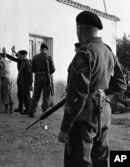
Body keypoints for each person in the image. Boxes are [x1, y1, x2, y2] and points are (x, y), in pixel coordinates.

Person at [58, 11, 127, 167]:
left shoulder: (84, 53)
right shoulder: (108, 51)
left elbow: (76, 96)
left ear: (79, 29)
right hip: (104, 112)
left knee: (78, 161)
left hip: (84, 116)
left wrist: (65, 128)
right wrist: (101, 93)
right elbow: (121, 84)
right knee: (101, 158)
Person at [29, 43, 55, 117]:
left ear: (40, 49)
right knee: (45, 95)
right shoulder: (49, 58)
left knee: (36, 95)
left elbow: (33, 69)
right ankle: (44, 111)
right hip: (46, 78)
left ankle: (32, 110)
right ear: (46, 50)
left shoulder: (35, 57)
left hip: (38, 77)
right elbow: (52, 70)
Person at [5, 46, 24, 113]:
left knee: (23, 94)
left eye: (18, 55)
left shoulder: (22, 60)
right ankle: (21, 107)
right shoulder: (22, 60)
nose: (17, 55)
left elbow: (13, 58)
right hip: (21, 78)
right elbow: (17, 57)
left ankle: (26, 108)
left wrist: (5, 54)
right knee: (21, 94)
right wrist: (14, 51)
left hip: (22, 79)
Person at [0, 47, 14, 113]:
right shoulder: (7, 61)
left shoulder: (1, 61)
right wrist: (12, 52)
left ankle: (6, 109)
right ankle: (11, 108)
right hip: (9, 78)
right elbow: (12, 58)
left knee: (5, 93)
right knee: (10, 93)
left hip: (5, 79)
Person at [17, 50, 32, 115]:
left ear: (24, 55)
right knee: (24, 95)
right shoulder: (23, 62)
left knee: (26, 96)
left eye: (19, 55)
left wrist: (30, 84)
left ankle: (28, 109)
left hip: (26, 82)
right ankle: (28, 109)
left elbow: (29, 74)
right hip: (22, 81)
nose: (18, 56)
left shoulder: (27, 63)